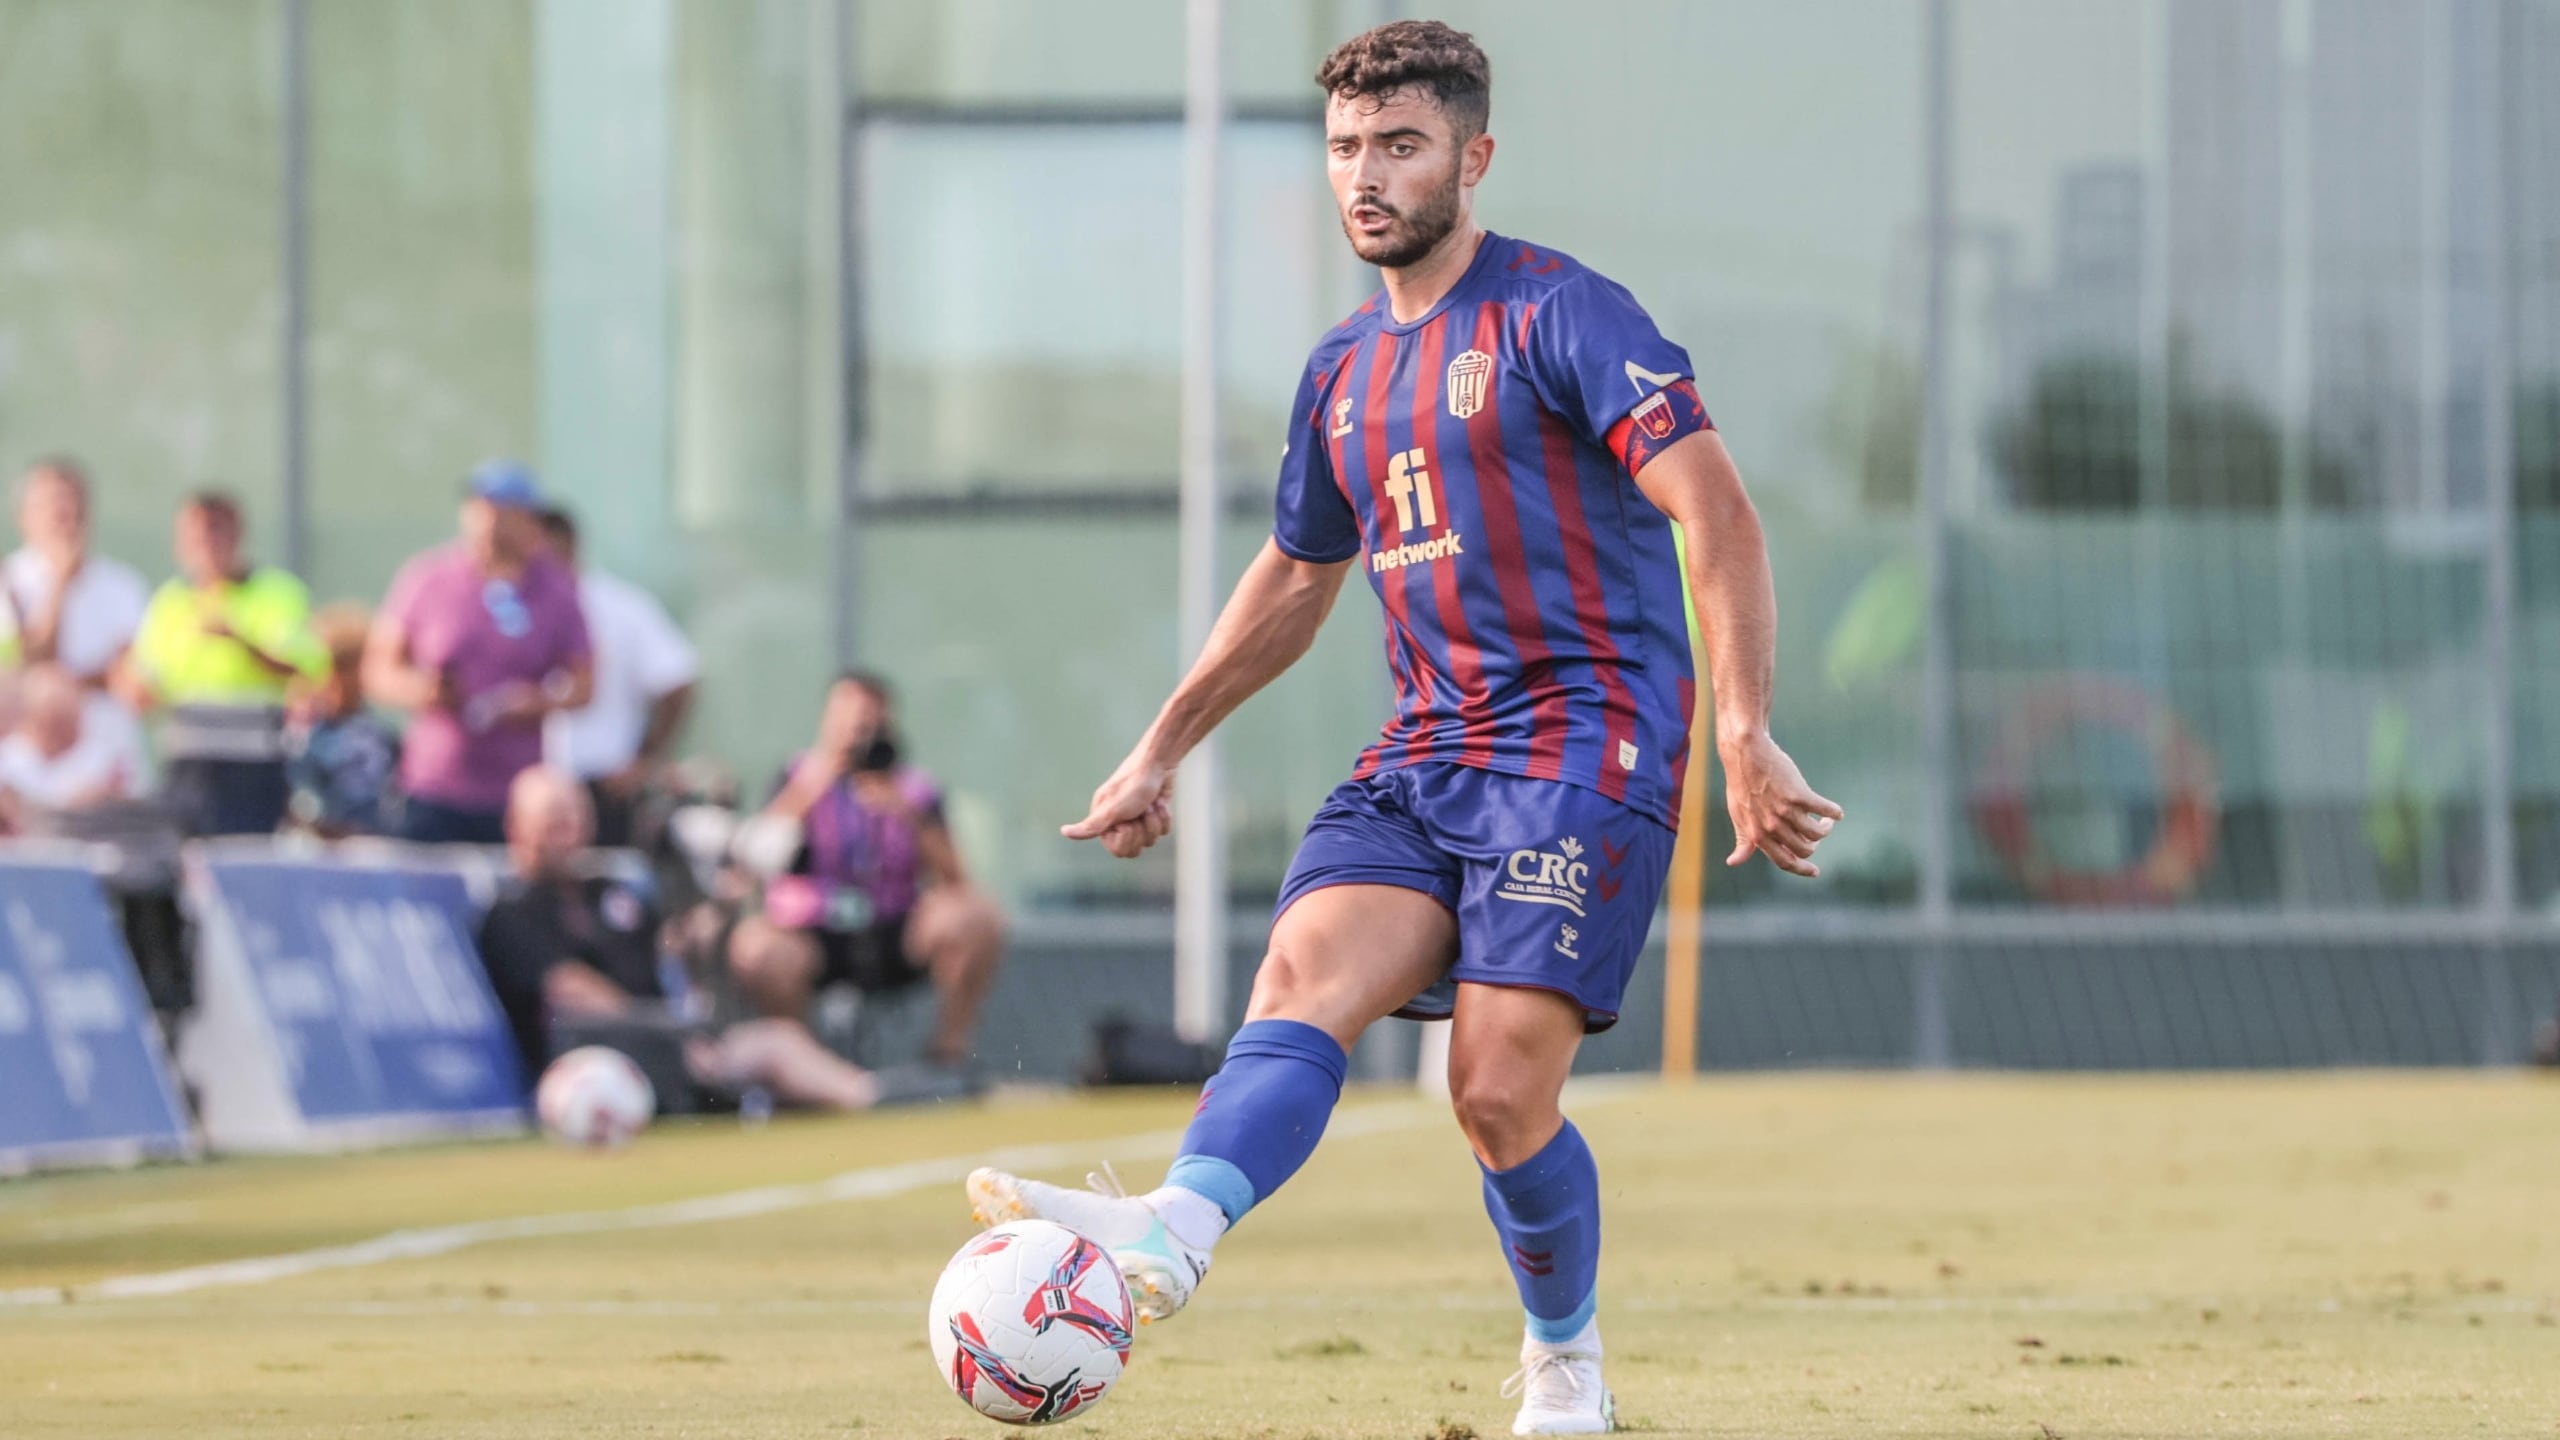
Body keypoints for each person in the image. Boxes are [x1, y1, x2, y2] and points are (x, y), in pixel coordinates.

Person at [963, 24, 1839, 1435]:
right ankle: (1174, 1233)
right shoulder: (1338, 373)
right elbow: (1299, 579)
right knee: (1300, 977)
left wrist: (1744, 727)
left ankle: (1566, 1369)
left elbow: (1719, 514)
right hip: (1426, 754)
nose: (1366, 177)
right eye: (1346, 151)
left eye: (1401, 147)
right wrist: (1162, 745)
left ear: (1473, 158)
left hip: (1582, 750)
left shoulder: (1567, 314)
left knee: (1493, 1091)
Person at [477, 766, 888, 1112]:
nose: (569, 829)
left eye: (575, 814)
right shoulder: (512, 913)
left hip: (671, 1044)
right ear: (518, 827)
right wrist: (670, 1038)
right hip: (595, 1065)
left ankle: (877, 1095)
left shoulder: (609, 893)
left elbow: (669, 946)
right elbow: (573, 993)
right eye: (554, 818)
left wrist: (718, 907)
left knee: (779, 1039)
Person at [725, 672, 1003, 1071]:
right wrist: (818, 781)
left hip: (894, 930)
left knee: (977, 917)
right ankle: (803, 1068)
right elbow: (756, 858)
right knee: (757, 947)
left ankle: (947, 1056)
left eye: (869, 722)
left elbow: (957, 880)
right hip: (815, 931)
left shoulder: (914, 789)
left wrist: (906, 814)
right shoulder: (798, 777)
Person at [363, 460, 592, 845]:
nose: (490, 525)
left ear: (528, 520)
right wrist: (424, 691)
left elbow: (585, 683)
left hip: (515, 796)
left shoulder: (555, 591)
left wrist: (534, 702)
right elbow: (379, 670)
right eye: (481, 510)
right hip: (434, 788)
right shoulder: (428, 578)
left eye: (503, 513)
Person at [120, 491, 327, 835]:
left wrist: (242, 643)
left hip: (254, 768)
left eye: (217, 533)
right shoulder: (170, 603)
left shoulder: (277, 593)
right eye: (197, 537)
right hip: (189, 769)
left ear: (237, 536)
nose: (208, 546)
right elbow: (145, 680)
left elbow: (305, 667)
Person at [535, 507, 697, 848]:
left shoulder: (620, 607)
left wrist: (646, 759)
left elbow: (677, 679)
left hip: (604, 786)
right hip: (533, 791)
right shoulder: (514, 609)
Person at [1, 458, 150, 688]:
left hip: (105, 723)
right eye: (53, 506)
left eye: (75, 503)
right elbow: (23, 669)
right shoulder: (7, 579)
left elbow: (133, 675)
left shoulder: (123, 583)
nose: (68, 517)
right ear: (25, 517)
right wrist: (60, 584)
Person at [284, 603, 401, 837]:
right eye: (326, 669)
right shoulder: (298, 734)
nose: (332, 681)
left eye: (345, 669)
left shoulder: (379, 737)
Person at [0, 662, 151, 826]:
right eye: (55, 718)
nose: (65, 728)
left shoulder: (101, 757)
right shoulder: (10, 760)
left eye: (70, 717)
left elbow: (133, 798)